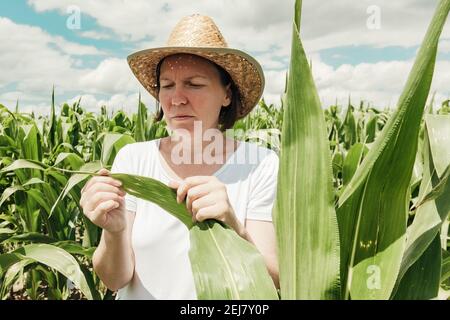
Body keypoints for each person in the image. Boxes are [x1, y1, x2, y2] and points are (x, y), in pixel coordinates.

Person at [80, 14, 279, 300]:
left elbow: (274, 280)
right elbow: (115, 279)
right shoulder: (133, 159)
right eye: (167, 85)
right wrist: (114, 231)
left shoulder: (260, 165)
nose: (177, 99)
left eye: (194, 84)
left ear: (226, 94)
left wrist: (233, 226)